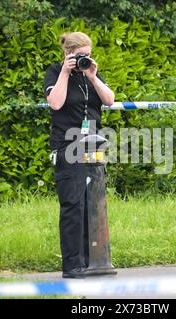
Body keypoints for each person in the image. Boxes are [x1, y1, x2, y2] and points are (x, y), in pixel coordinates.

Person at [44, 32, 115, 279]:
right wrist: (65, 71)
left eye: (88, 54)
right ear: (68, 54)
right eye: (80, 55)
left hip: (93, 145)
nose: (85, 59)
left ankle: (91, 262)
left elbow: (109, 99)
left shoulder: (89, 73)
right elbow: (55, 103)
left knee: (91, 205)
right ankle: (72, 265)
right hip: (68, 146)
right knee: (73, 205)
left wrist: (93, 77)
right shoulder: (55, 71)